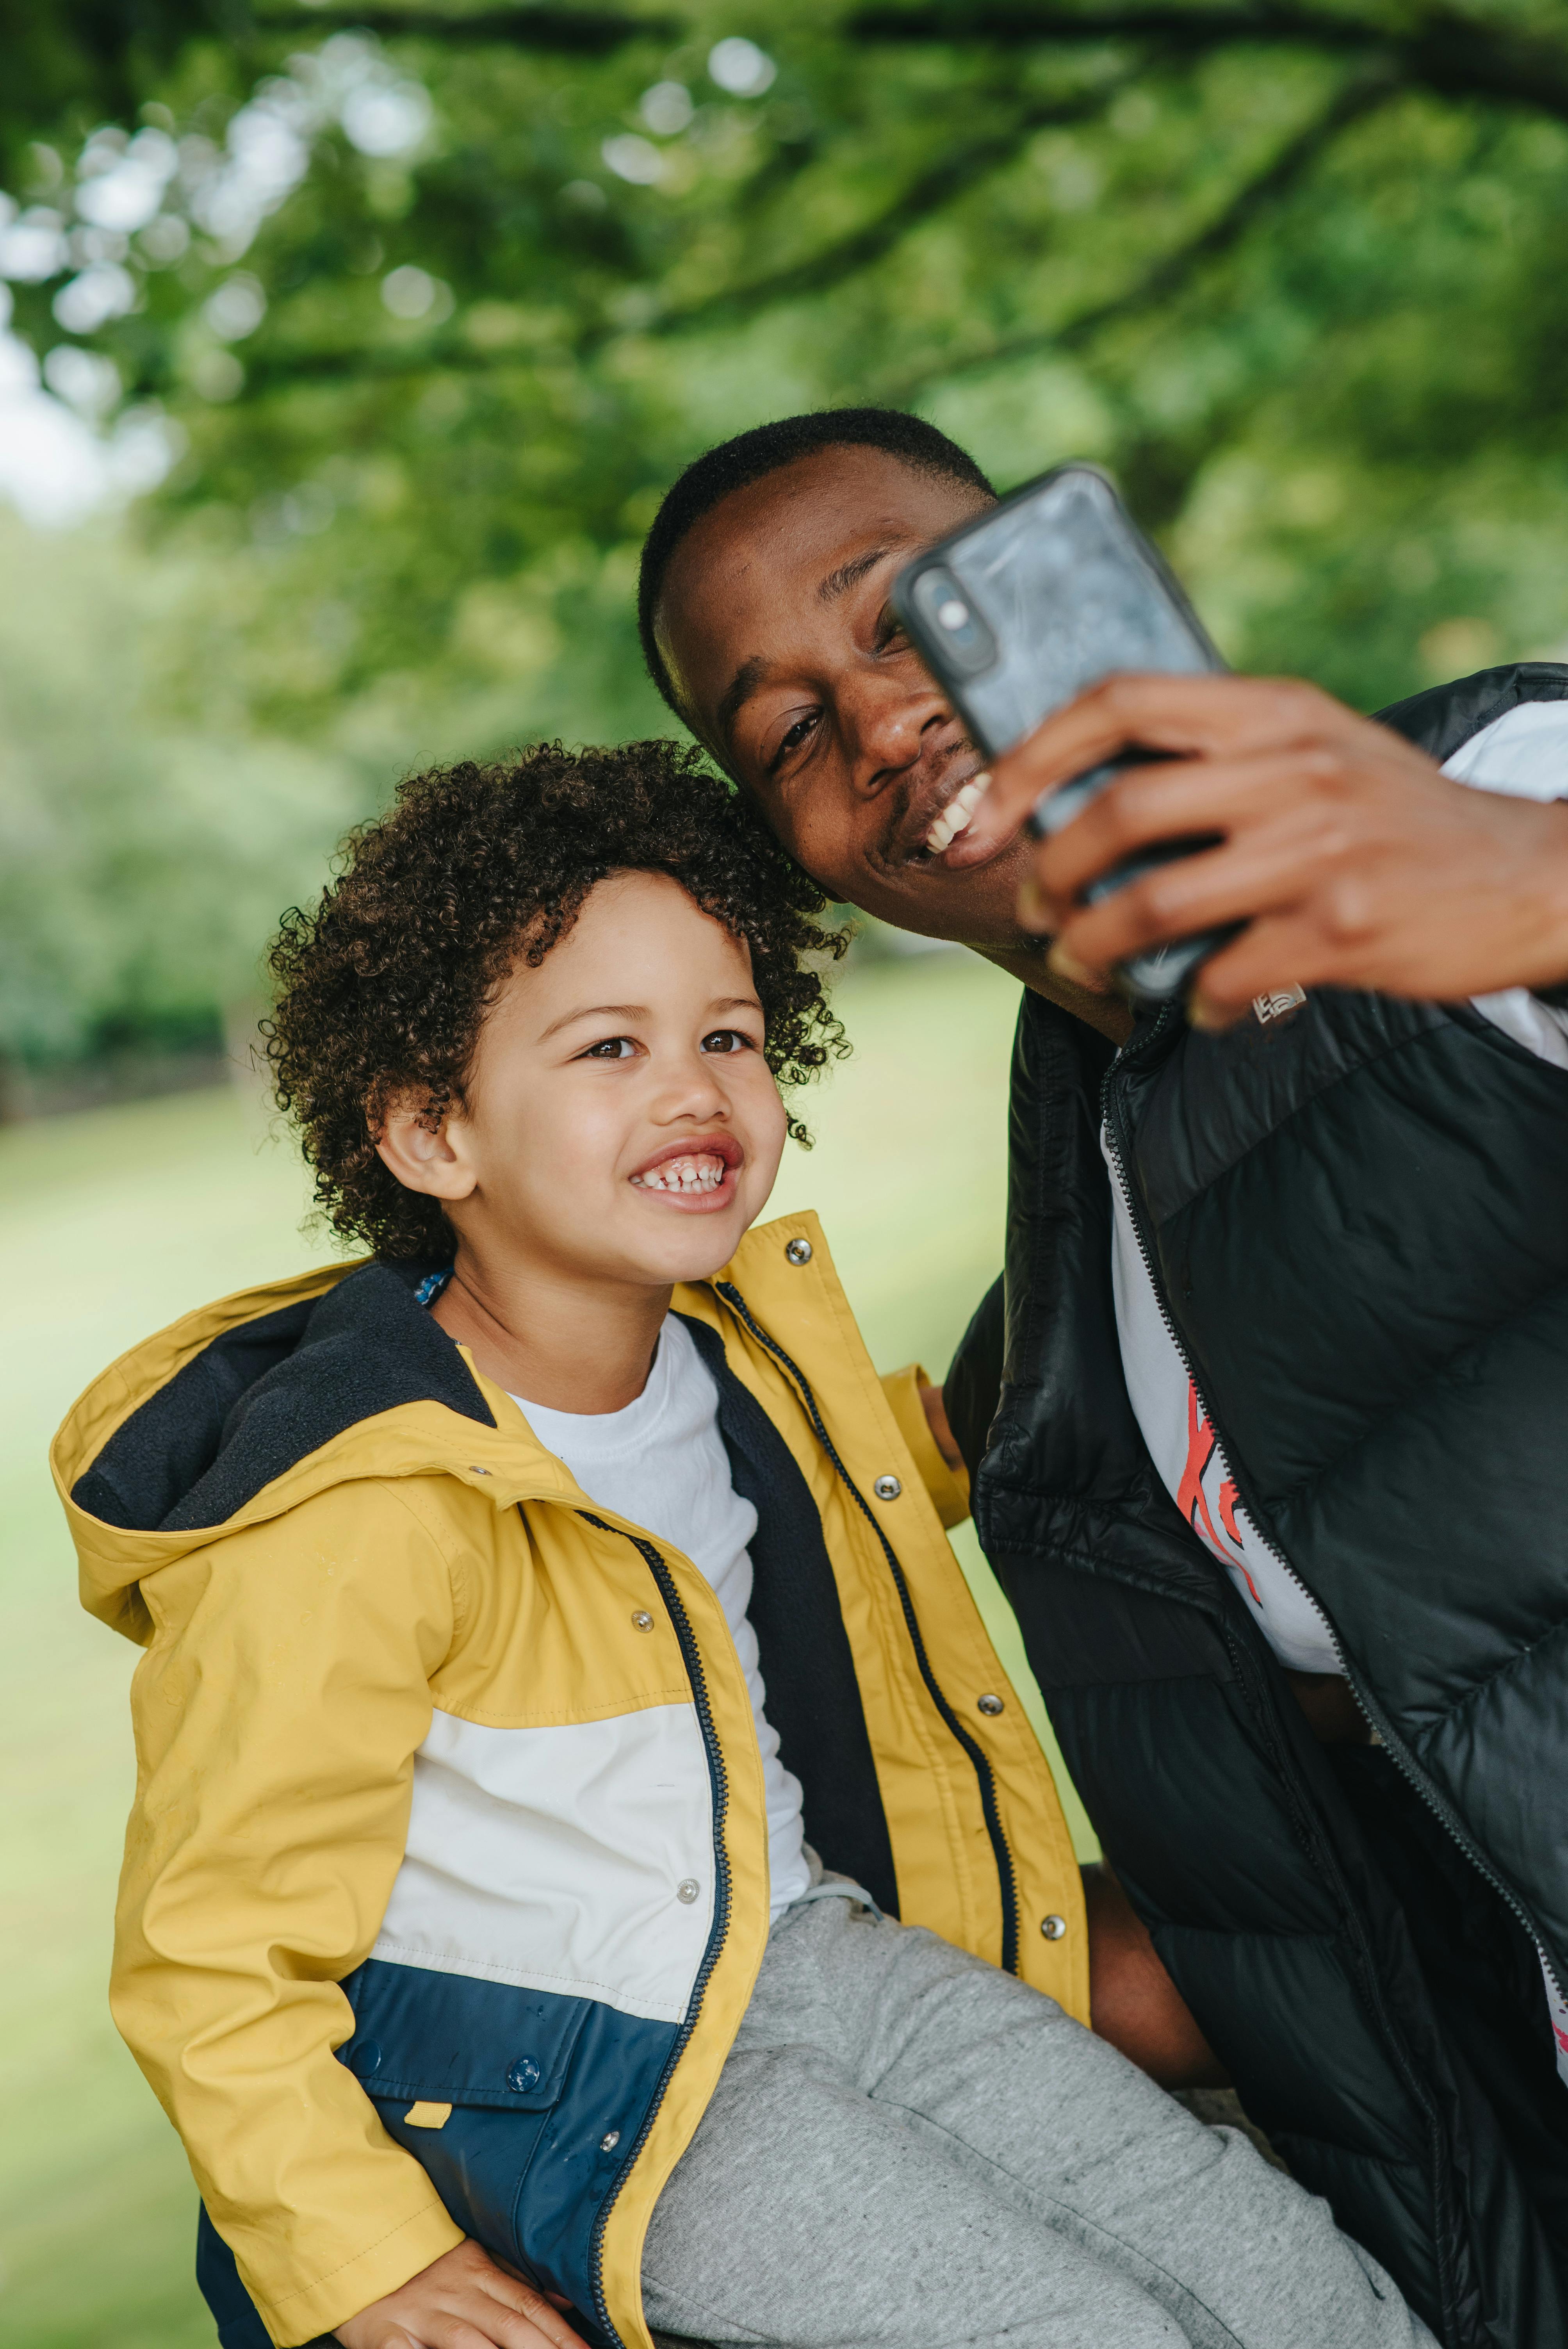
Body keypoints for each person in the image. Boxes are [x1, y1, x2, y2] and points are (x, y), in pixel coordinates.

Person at [54, 741, 1440, 2349]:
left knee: (1292, 2286)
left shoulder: (730, 1359)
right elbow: (207, 1954)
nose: (693, 1088)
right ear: (434, 1134)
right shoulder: (354, 1510)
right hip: (606, 2082)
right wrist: (359, 2262)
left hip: (819, 1956)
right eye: (606, 1048)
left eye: (727, 1033)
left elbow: (848, 1487)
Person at [638, 408, 1568, 2349]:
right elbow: (1303, 1914)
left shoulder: (1482, 787)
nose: (881, 720)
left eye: (908, 613)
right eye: (786, 732)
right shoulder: (1083, 1316)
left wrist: (1527, 874)